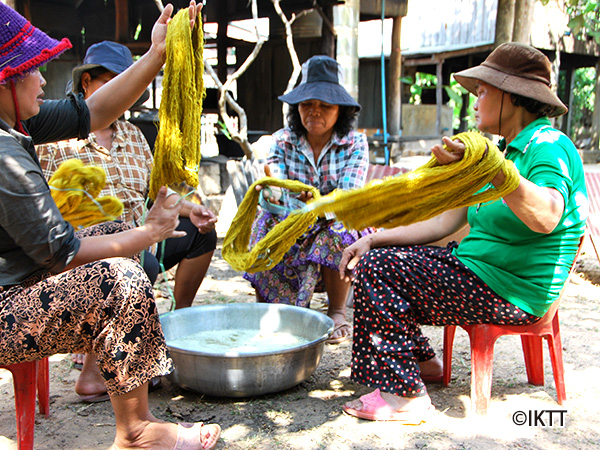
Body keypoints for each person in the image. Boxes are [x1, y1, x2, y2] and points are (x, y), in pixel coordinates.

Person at [0, 3, 221, 449]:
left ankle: (122, 395)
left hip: (19, 283)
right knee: (119, 276)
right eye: (31, 69)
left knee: (112, 239)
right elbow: (58, 250)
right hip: (5, 310)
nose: (43, 79)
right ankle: (136, 431)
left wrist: (158, 53)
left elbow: (91, 113)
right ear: (4, 80)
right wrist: (147, 234)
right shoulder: (3, 155)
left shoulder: (15, 123)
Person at [338, 42, 588, 422]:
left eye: (483, 90)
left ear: (512, 95)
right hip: (477, 273)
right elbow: (444, 222)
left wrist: (496, 170)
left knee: (379, 271)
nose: (473, 99)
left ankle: (405, 398)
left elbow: (548, 217)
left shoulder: (547, 145)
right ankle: (421, 364)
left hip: (511, 291)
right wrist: (373, 237)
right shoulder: (498, 153)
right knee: (376, 260)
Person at [36, 40, 217, 310]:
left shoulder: (132, 135)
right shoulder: (56, 140)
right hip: (88, 250)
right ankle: (98, 334)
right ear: (86, 81)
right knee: (146, 263)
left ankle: (180, 318)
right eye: (112, 82)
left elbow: (156, 194)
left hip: (141, 238)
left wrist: (192, 210)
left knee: (201, 235)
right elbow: (41, 209)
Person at [243, 55, 370, 344]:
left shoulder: (355, 143)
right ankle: (271, 309)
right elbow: (275, 188)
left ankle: (337, 311)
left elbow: (348, 197)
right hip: (291, 219)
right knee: (264, 226)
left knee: (337, 233)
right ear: (296, 109)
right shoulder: (281, 141)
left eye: (325, 106)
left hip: (334, 221)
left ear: (342, 111)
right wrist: (275, 192)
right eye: (307, 105)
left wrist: (316, 204)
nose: (315, 112)